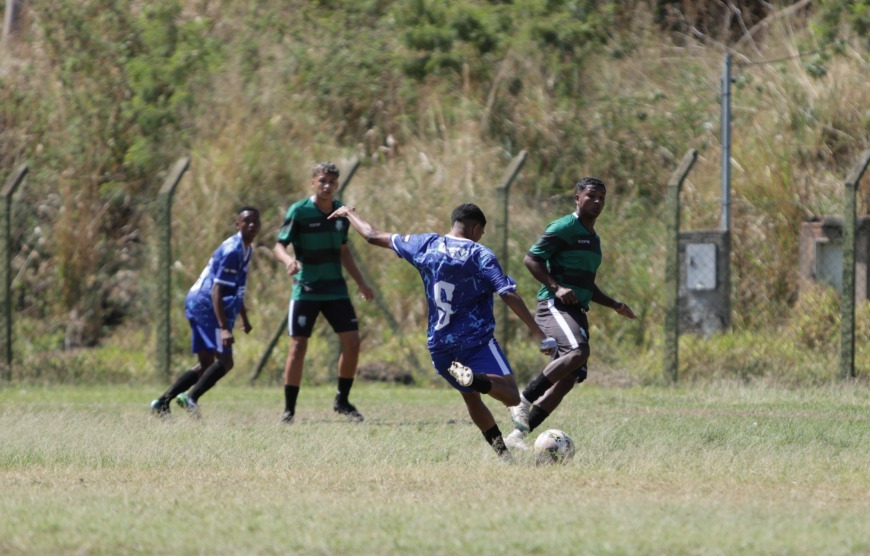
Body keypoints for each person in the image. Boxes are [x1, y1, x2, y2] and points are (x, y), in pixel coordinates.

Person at [329, 201, 557, 458]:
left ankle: (504, 457)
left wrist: (349, 213)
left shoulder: (424, 244)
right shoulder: (479, 254)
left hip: (439, 344)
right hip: (475, 340)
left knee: (471, 398)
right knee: (512, 396)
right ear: (475, 228)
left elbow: (371, 236)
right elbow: (507, 293)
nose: (481, 237)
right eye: (481, 232)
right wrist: (540, 334)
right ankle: (475, 378)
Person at [504, 176, 637, 449]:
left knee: (569, 378)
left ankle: (517, 437)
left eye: (602, 197)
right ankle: (523, 399)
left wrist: (615, 305)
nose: (597, 201)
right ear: (577, 198)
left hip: (576, 310)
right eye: (591, 195)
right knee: (578, 351)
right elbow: (532, 259)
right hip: (553, 305)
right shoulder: (565, 226)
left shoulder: (593, 239)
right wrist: (556, 287)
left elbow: (587, 284)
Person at [273, 162, 375, 423]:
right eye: (322, 180)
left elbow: (343, 251)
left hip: (335, 289)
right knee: (298, 347)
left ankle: (342, 400)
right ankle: (289, 410)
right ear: (313, 182)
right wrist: (289, 261)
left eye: (332, 181)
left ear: (337, 185)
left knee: (352, 342)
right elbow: (279, 246)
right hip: (306, 290)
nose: (327, 185)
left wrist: (361, 282)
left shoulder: (342, 214)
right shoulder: (299, 211)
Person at [151, 206, 260, 419]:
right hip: (205, 304)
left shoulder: (247, 249)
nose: (252, 225)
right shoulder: (232, 250)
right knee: (225, 361)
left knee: (206, 363)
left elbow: (236, 288)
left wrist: (244, 318)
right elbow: (217, 290)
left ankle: (162, 402)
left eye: (255, 221)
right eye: (246, 221)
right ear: (238, 224)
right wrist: (224, 329)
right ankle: (191, 398)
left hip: (202, 303)